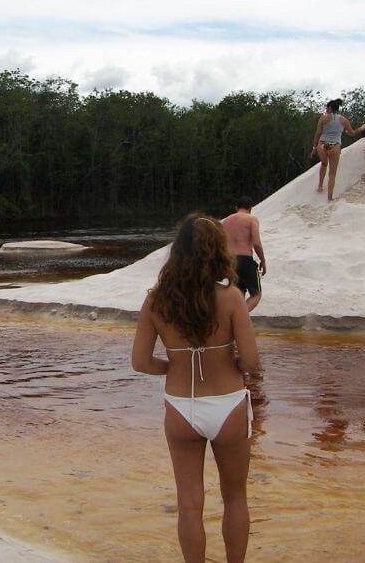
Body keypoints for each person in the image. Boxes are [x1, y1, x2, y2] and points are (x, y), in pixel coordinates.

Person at [132, 214, 261, 563]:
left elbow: (140, 362)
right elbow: (251, 361)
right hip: (228, 404)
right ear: (217, 252)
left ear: (178, 252)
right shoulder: (232, 297)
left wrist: (172, 365)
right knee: (235, 497)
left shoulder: (156, 300)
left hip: (181, 406)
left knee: (189, 503)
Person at [221, 197, 266, 311]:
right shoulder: (251, 219)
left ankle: (234, 322)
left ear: (236, 207)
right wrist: (263, 261)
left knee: (238, 295)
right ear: (250, 208)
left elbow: (221, 244)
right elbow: (256, 243)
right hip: (245, 259)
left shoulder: (226, 221)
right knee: (256, 294)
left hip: (230, 261)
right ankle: (240, 317)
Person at [310, 98, 354, 202]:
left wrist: (314, 147)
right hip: (335, 146)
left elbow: (318, 133)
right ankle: (329, 198)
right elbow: (352, 133)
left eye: (326, 108)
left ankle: (320, 185)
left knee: (324, 164)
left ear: (329, 107)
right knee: (332, 173)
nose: (326, 110)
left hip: (322, 144)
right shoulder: (344, 120)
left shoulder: (323, 118)